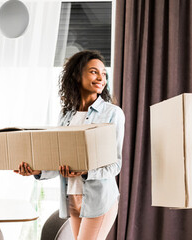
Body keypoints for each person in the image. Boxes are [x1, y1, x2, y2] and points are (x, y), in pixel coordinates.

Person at [14, 50, 125, 240]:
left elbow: (115, 165)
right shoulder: (66, 116)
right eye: (93, 72)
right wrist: (37, 171)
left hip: (99, 200)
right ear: (76, 75)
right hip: (72, 198)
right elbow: (60, 162)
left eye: (103, 73)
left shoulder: (112, 114)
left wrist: (85, 171)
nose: (101, 78)